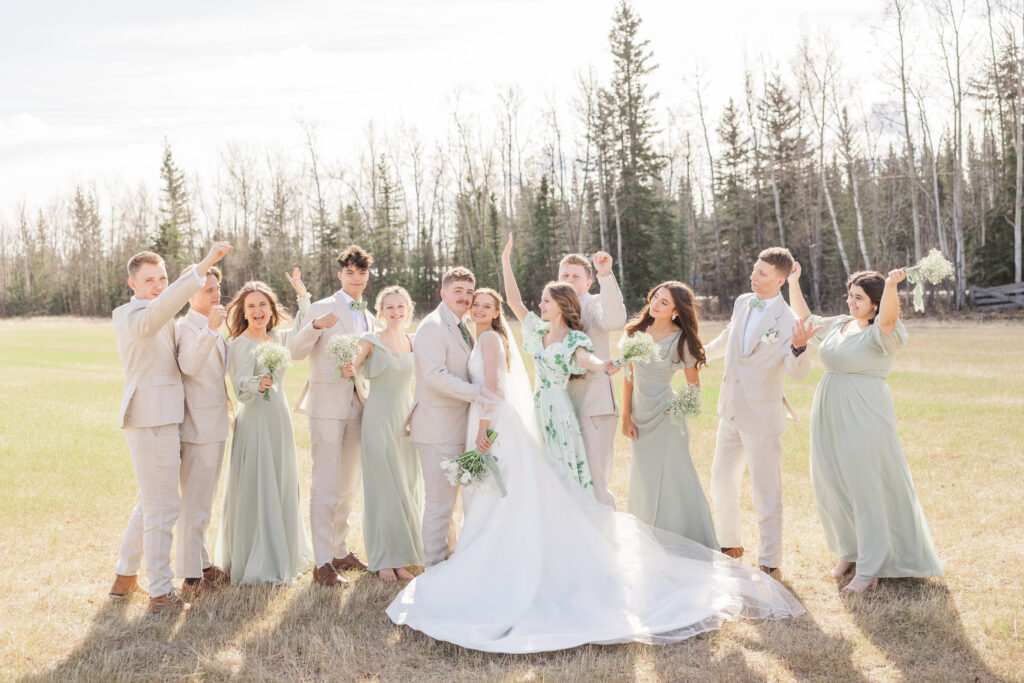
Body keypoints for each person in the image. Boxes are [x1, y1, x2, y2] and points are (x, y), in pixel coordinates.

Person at [386, 286, 804, 653]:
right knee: (527, 490)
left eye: (482, 303)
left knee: (537, 489)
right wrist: (507, 264)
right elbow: (514, 308)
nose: (476, 308)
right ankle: (519, 547)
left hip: (522, 420)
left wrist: (604, 366)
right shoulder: (505, 334)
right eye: (472, 302)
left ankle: (538, 554)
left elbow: (574, 360)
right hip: (525, 416)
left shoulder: (512, 341)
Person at [788, 264, 944, 594]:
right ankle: (850, 551)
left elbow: (887, 318)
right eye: (849, 295)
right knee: (833, 483)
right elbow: (803, 317)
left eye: (858, 298)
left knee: (864, 487)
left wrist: (890, 286)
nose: (850, 302)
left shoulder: (882, 332)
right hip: (829, 413)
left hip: (864, 414)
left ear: (874, 302)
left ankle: (871, 567)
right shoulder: (840, 325)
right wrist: (793, 281)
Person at [109, 242, 231, 614]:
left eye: (163, 278)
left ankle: (124, 578)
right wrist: (206, 264)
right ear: (132, 283)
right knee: (163, 508)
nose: (158, 285)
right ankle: (161, 592)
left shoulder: (160, 314)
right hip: (151, 419)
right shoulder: (130, 315)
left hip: (168, 419)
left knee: (149, 504)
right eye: (150, 280)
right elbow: (163, 309)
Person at [704, 247, 818, 580]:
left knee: (766, 492)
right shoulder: (742, 302)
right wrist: (696, 356)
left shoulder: (790, 321)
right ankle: (729, 544)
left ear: (781, 280)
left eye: (762, 273)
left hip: (762, 417)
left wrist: (798, 347)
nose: (753, 276)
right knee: (721, 478)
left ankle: (769, 560)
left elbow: (798, 373)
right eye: (754, 269)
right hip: (730, 410)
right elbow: (727, 338)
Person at [215, 276, 316, 585]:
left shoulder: (277, 338)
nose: (258, 310)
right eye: (251, 306)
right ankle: (258, 557)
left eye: (263, 304)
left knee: (282, 481)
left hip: (279, 418)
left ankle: (282, 551)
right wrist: (257, 384)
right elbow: (239, 386)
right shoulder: (240, 343)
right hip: (256, 420)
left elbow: (303, 331)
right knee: (258, 484)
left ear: (271, 308)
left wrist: (302, 296)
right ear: (243, 312)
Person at [501, 234, 619, 495]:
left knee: (565, 472)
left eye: (546, 301)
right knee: (541, 475)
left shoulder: (574, 337)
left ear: (561, 305)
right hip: (538, 407)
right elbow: (514, 302)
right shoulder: (539, 331)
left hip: (560, 411)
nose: (540, 305)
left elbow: (584, 358)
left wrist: (602, 365)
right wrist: (505, 262)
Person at [289, 246, 376, 587]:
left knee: (348, 484)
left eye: (362, 273)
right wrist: (313, 326)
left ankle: (340, 549)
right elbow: (296, 352)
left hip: (359, 403)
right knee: (325, 484)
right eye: (350, 273)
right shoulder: (322, 307)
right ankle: (322, 561)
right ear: (340, 275)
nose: (356, 279)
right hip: (326, 405)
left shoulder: (369, 316)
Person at [620, 281, 718, 549]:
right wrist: (625, 417)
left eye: (664, 302)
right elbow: (628, 378)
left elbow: (694, 387)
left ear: (676, 311)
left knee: (677, 479)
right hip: (640, 418)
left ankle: (688, 539)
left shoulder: (681, 340)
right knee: (644, 479)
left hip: (667, 420)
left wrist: (677, 409)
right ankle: (647, 539)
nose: (655, 304)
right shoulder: (636, 332)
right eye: (655, 297)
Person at [344, 286, 424, 582]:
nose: (395, 312)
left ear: (408, 310)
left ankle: (401, 558)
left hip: (406, 418)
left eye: (400, 307)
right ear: (380, 312)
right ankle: (383, 559)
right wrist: (347, 362)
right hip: (378, 417)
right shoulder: (370, 340)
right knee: (383, 487)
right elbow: (350, 366)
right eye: (389, 307)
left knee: (404, 483)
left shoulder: (414, 342)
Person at [405, 267, 480, 567]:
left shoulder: (463, 326)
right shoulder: (432, 327)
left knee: (452, 504)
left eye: (469, 292)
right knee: (439, 505)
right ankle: (433, 568)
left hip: (460, 427)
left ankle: (448, 564)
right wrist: (479, 393)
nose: (464, 297)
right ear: (443, 293)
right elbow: (436, 376)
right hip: (436, 428)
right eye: (458, 291)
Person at [174, 264, 231, 599]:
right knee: (194, 506)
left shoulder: (214, 325)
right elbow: (189, 366)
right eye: (208, 289)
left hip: (216, 425)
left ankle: (204, 563)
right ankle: (191, 579)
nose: (216, 293)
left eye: (217, 288)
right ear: (189, 294)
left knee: (205, 504)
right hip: (197, 428)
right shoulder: (187, 327)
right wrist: (211, 329)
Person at [558, 251, 627, 507]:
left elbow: (615, 320)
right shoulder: (551, 308)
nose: (569, 280)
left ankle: (605, 543)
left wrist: (605, 275)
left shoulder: (595, 304)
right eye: (564, 275)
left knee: (596, 481)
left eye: (576, 276)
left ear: (588, 283)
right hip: (560, 407)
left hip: (595, 406)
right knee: (565, 482)